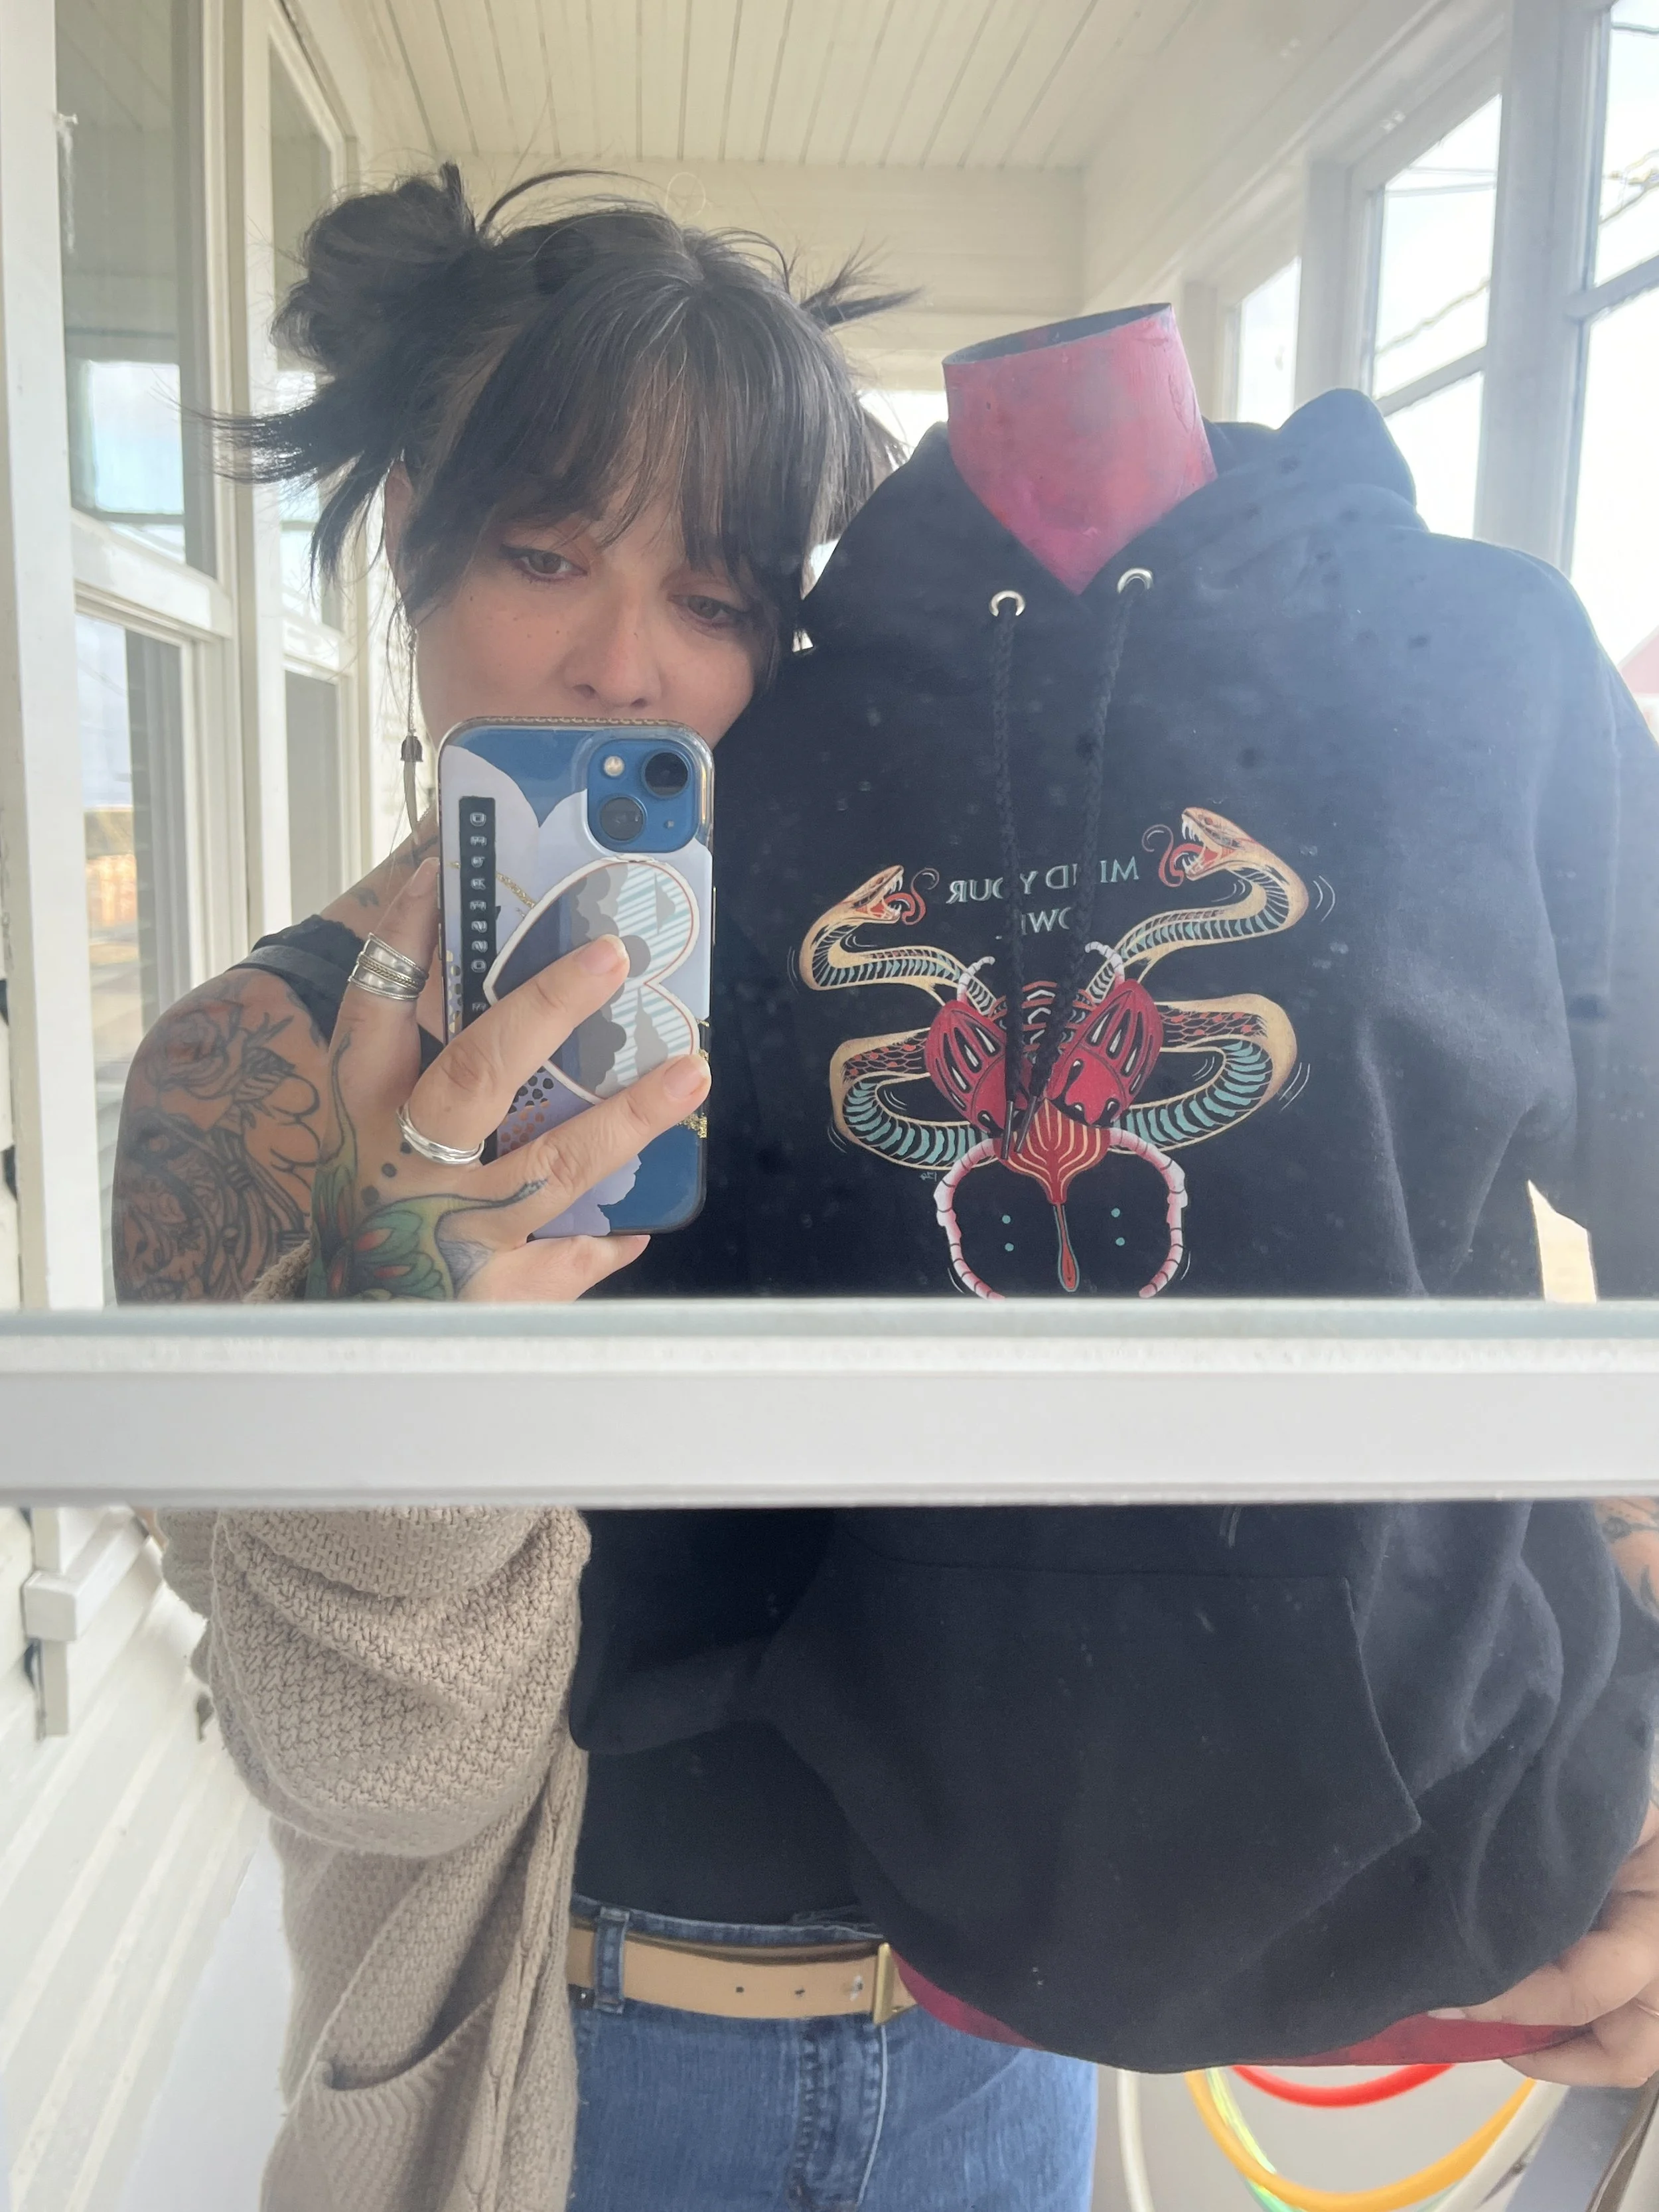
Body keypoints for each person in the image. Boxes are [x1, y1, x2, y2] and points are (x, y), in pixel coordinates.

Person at [125, 167, 1659, 2212]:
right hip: (586, 2051)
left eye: (713, 597)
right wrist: (408, 1345)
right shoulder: (247, 1075)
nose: (623, 665)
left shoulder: (828, 896)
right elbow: (359, 1770)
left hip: (988, 2034)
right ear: (410, 534)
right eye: (543, 553)